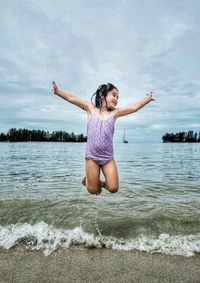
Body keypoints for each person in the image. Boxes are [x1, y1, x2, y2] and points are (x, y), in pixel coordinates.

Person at [52, 81, 155, 195]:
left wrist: (147, 99)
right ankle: (90, 180)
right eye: (114, 95)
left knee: (113, 188)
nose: (116, 99)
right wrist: (58, 92)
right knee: (92, 190)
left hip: (107, 157)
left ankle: (95, 180)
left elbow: (133, 108)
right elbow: (72, 98)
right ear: (102, 95)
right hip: (92, 156)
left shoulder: (115, 113)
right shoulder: (90, 109)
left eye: (118, 97)